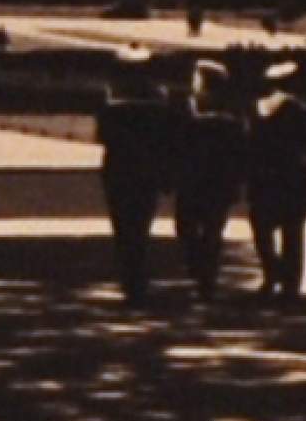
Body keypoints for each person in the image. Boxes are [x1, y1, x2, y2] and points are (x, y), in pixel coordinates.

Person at [94, 45, 175, 306]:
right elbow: (165, 139)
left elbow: (103, 136)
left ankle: (131, 279)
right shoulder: (160, 98)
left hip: (120, 168)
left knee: (123, 226)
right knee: (140, 225)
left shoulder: (110, 99)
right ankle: (137, 278)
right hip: (147, 168)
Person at [245, 58, 306, 304]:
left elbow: (247, 144)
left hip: (262, 177)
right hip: (292, 178)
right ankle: (290, 286)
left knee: (261, 231)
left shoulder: (257, 108)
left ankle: (271, 273)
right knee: (293, 235)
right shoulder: (303, 110)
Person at [173, 59, 246, 301]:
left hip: (207, 182)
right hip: (201, 182)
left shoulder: (223, 120)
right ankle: (203, 270)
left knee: (209, 231)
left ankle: (206, 277)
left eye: (197, 79)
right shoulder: (191, 112)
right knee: (191, 230)